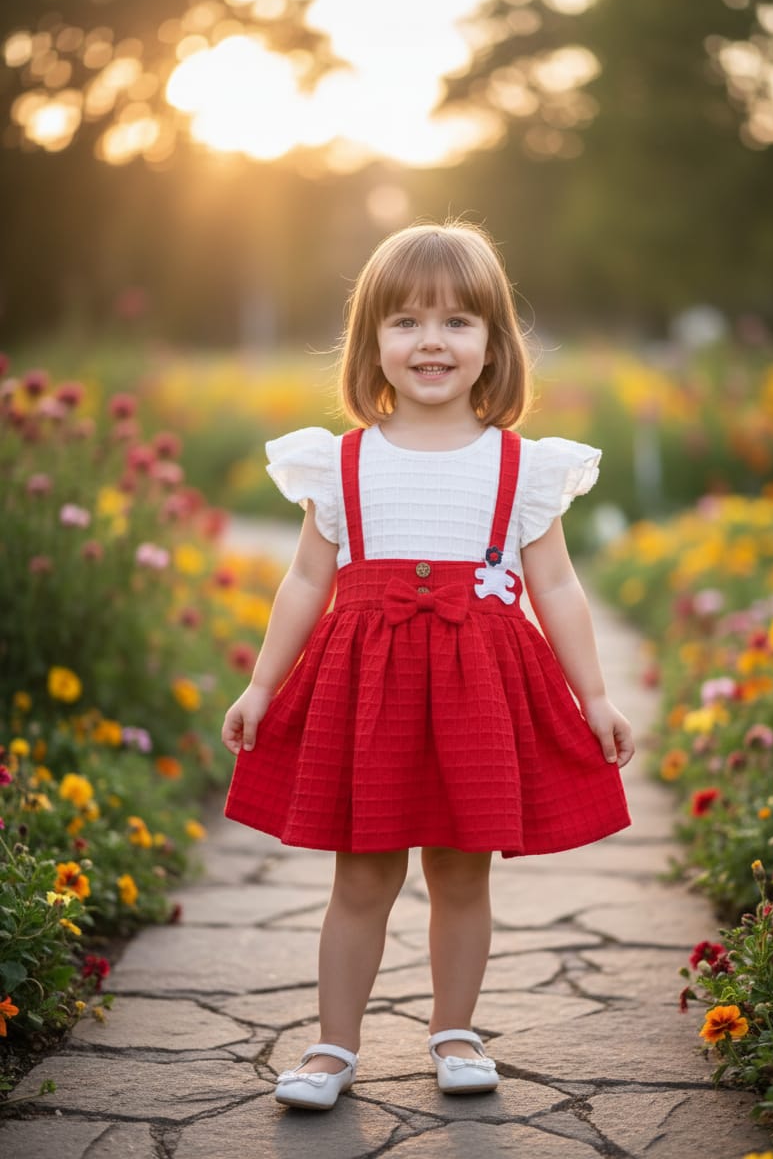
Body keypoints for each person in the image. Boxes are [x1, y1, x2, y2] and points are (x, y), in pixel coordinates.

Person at [222, 220, 633, 1111]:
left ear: (493, 346)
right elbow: (303, 580)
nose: (431, 342)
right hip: (367, 693)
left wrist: (593, 694)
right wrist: (262, 682)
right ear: (373, 340)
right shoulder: (339, 464)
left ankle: (455, 1030)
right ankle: (334, 1045)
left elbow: (556, 588)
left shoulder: (524, 469)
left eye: (457, 322)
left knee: (459, 869)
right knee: (362, 874)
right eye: (406, 321)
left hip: (477, 694)